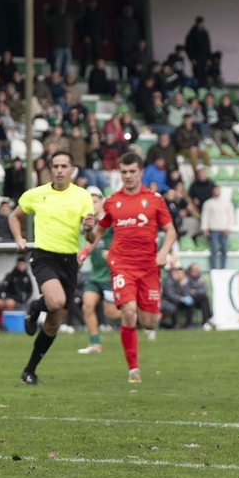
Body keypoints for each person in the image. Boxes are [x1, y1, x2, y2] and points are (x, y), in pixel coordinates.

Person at [81, 152, 176, 382]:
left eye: (132, 171)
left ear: (141, 172)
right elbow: (100, 232)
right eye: (124, 172)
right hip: (122, 265)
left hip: (149, 268)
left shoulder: (155, 200)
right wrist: (86, 240)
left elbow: (171, 231)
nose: (128, 176)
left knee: (148, 320)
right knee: (129, 311)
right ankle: (133, 368)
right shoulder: (112, 201)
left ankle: (146, 324)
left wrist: (163, 253)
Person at [8, 150, 95, 386]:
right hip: (44, 256)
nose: (59, 170)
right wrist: (19, 238)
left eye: (63, 166)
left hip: (69, 261)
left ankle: (29, 370)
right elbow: (14, 217)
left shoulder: (82, 196)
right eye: (55, 166)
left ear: (72, 170)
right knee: (55, 302)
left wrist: (89, 227)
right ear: (50, 169)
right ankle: (35, 306)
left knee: (54, 323)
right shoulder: (36, 194)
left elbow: (91, 235)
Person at [76, 226, 118, 355]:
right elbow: (87, 246)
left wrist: (113, 254)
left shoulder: (112, 229)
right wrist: (81, 257)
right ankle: (95, 344)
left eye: (95, 203)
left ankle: (136, 310)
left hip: (110, 276)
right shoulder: (90, 230)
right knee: (87, 306)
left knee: (110, 313)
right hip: (95, 276)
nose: (93, 206)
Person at [200, 184, 235, 270]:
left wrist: (229, 227)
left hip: (224, 229)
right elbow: (205, 216)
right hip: (213, 230)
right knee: (214, 250)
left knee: (224, 250)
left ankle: (223, 268)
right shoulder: (208, 203)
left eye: (218, 190)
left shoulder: (227, 203)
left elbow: (231, 216)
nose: (216, 192)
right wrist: (205, 228)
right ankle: (214, 268)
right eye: (215, 190)